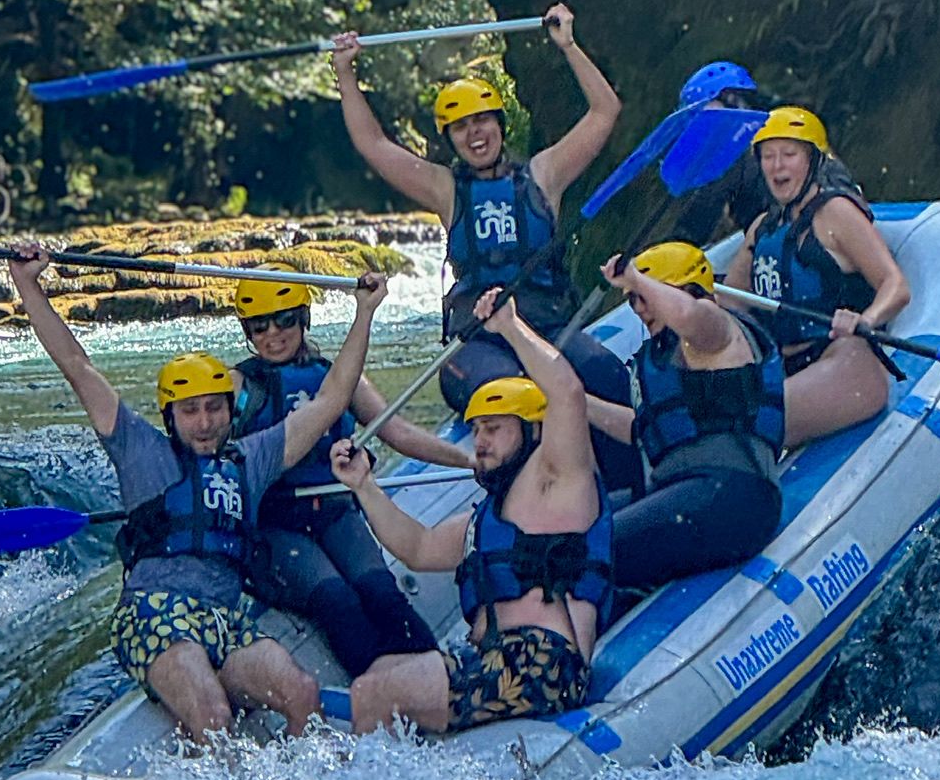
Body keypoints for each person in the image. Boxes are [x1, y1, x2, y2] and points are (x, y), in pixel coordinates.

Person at [5, 248, 389, 744]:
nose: (204, 422)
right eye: (190, 411)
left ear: (232, 411)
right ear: (170, 416)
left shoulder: (253, 459)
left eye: (214, 408)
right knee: (211, 715)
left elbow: (333, 397)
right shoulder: (139, 450)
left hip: (224, 619)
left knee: (302, 693)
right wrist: (28, 284)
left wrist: (365, 313)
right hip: (154, 613)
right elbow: (76, 366)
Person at [328, 288, 611, 735]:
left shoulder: (560, 485)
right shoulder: (490, 518)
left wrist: (510, 327)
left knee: (373, 694)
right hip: (491, 659)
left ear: (534, 431)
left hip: (542, 665)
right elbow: (417, 548)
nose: (480, 443)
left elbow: (568, 394)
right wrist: (364, 486)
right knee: (381, 669)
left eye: (494, 430)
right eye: (477, 430)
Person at [330, 2, 625, 420]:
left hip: (550, 328)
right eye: (461, 127)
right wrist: (345, 72)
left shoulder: (545, 174)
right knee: (509, 398)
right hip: (482, 341)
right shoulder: (444, 189)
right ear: (449, 138)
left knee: (608, 376)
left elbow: (605, 111)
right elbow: (372, 144)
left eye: (482, 120)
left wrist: (569, 45)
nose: (475, 134)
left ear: (500, 125)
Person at [227, 275, 468, 676]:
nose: (273, 334)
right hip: (277, 526)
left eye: (284, 319)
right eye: (259, 325)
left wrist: (469, 462)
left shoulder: (337, 376)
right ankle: (381, 687)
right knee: (338, 601)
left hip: (335, 511)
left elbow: (400, 433)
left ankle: (440, 679)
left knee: (381, 592)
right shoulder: (236, 386)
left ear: (303, 319)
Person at [581, 243, 787, 593]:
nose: (639, 308)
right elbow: (641, 428)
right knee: (565, 536)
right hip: (683, 491)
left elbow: (691, 316)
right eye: (632, 301)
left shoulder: (715, 329)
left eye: (644, 296)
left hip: (736, 496)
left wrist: (635, 278)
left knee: (589, 552)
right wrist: (573, 399)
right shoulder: (664, 353)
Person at [722, 107, 911, 445]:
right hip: (785, 366)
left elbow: (895, 286)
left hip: (846, 359)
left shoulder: (836, 213)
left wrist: (866, 319)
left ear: (813, 161)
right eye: (768, 156)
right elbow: (727, 304)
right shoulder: (762, 229)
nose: (777, 166)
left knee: (749, 420)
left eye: (788, 154)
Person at [671, 61, 774, 246]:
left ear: (736, 104)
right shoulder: (731, 156)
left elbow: (691, 231)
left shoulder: (740, 154)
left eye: (707, 120)